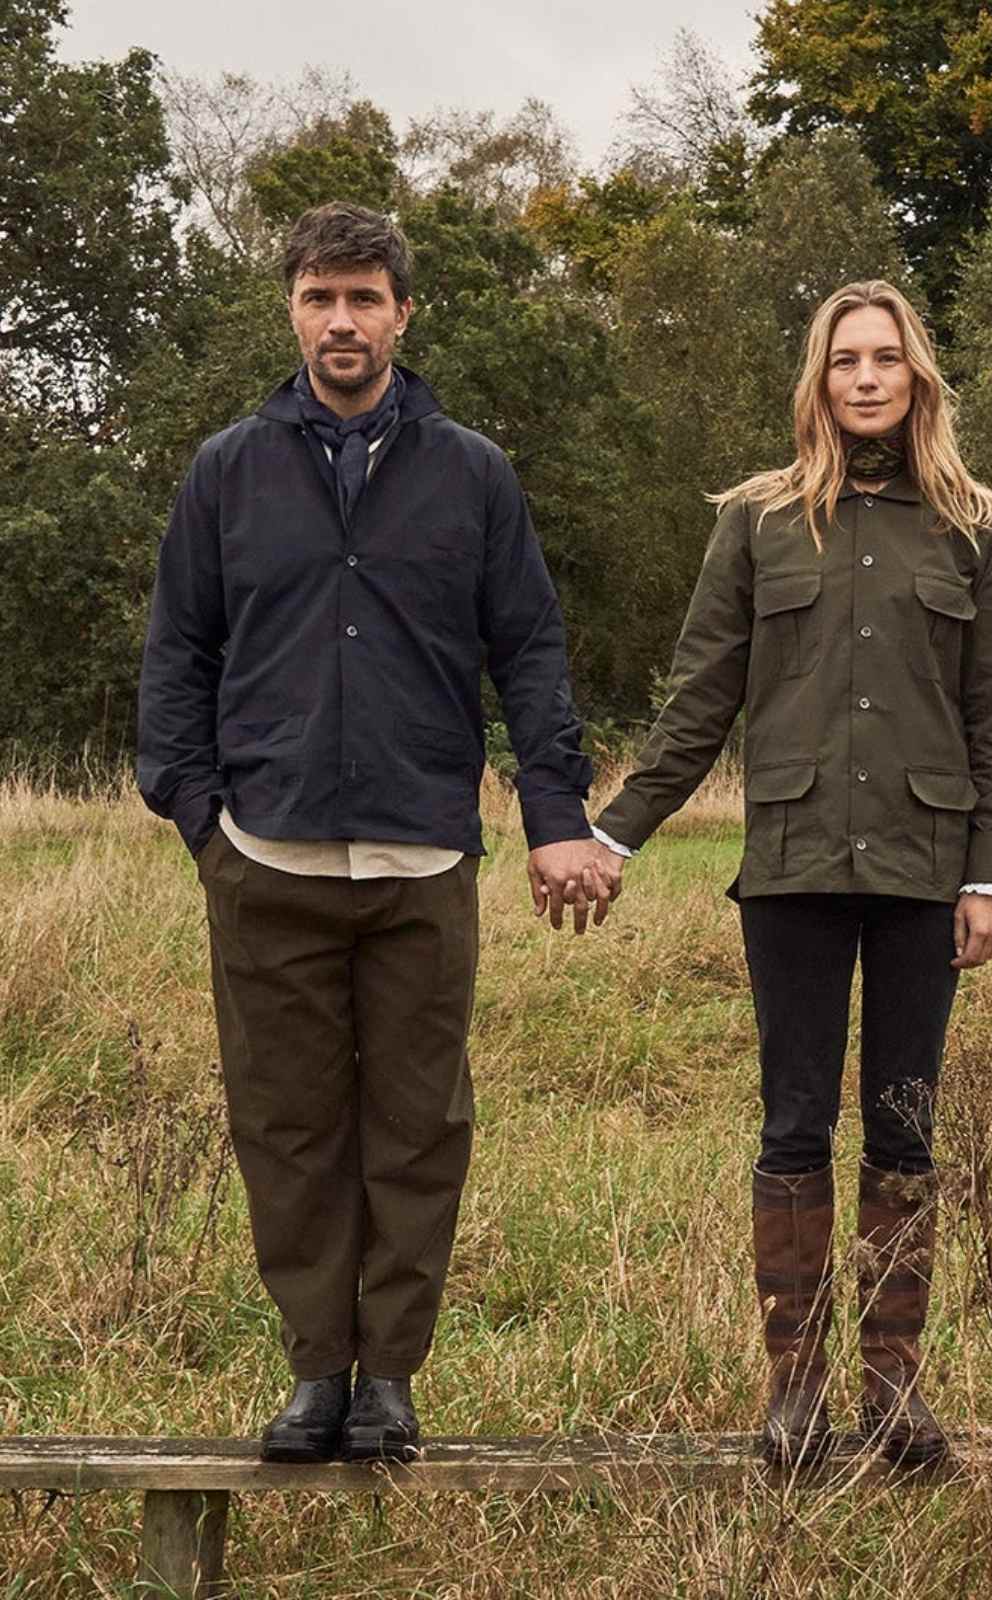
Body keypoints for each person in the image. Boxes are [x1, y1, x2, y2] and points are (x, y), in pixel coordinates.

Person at [138, 201, 610, 1463]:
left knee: (416, 1124)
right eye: (317, 296)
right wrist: (199, 815)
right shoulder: (228, 470)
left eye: (363, 297)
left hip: (421, 855)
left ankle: (390, 1375)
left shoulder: (473, 472)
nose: (340, 319)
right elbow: (178, 650)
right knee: (287, 1123)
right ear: (291, 309)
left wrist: (554, 814)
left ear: (403, 311)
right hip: (268, 852)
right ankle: (314, 1372)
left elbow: (532, 651)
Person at [589, 280, 992, 1466]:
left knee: (903, 1128)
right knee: (794, 1125)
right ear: (819, 380)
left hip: (925, 869)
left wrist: (990, 875)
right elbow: (697, 701)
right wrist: (615, 833)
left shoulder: (975, 526)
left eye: (888, 358)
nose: (869, 377)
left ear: (918, 376)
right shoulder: (757, 521)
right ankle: (797, 1391)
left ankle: (892, 1392)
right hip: (789, 867)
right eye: (847, 361)